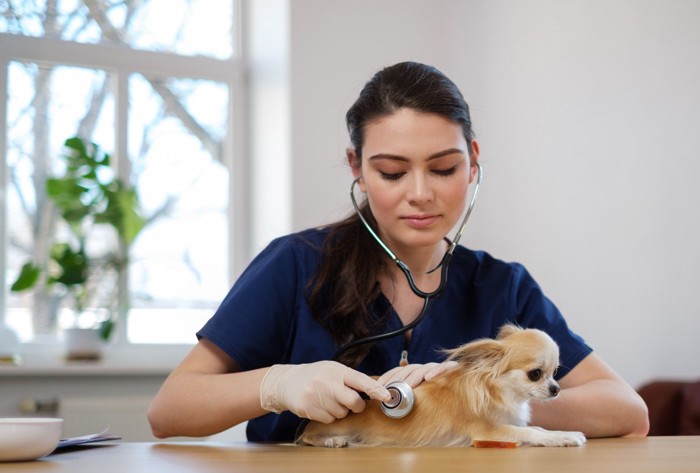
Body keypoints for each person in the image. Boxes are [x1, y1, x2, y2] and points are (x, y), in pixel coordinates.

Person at [148, 61, 649, 442]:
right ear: (357, 168)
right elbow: (169, 411)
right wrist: (276, 385)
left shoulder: (502, 286)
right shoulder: (297, 264)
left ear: (473, 161)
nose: (420, 193)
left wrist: (485, 399)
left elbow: (627, 411)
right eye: (391, 172)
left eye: (444, 168)